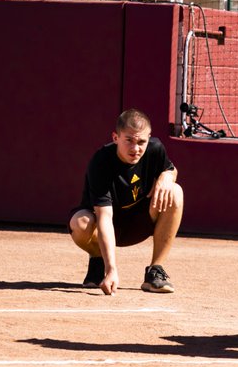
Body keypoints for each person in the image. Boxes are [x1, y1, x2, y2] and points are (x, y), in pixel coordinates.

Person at [69, 109, 184, 296]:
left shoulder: (155, 150)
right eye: (128, 140)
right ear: (116, 137)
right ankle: (98, 259)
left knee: (175, 192)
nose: (135, 148)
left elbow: (171, 169)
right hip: (104, 226)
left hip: (138, 224)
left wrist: (166, 177)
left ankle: (155, 270)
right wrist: (111, 269)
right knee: (80, 223)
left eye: (141, 142)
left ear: (148, 138)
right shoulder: (101, 161)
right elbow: (105, 217)